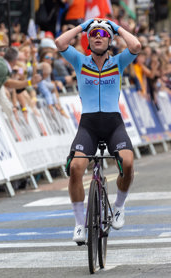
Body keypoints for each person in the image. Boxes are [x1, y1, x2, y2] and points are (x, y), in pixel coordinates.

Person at [55, 18, 141, 243]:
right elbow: (60, 42)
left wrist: (116, 27)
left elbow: (136, 46)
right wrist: (84, 26)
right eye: (93, 35)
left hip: (113, 124)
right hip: (89, 125)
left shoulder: (118, 62)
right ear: (88, 40)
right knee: (75, 167)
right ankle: (78, 223)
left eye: (103, 34)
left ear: (110, 40)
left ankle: (120, 207)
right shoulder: (80, 61)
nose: (98, 37)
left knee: (128, 163)